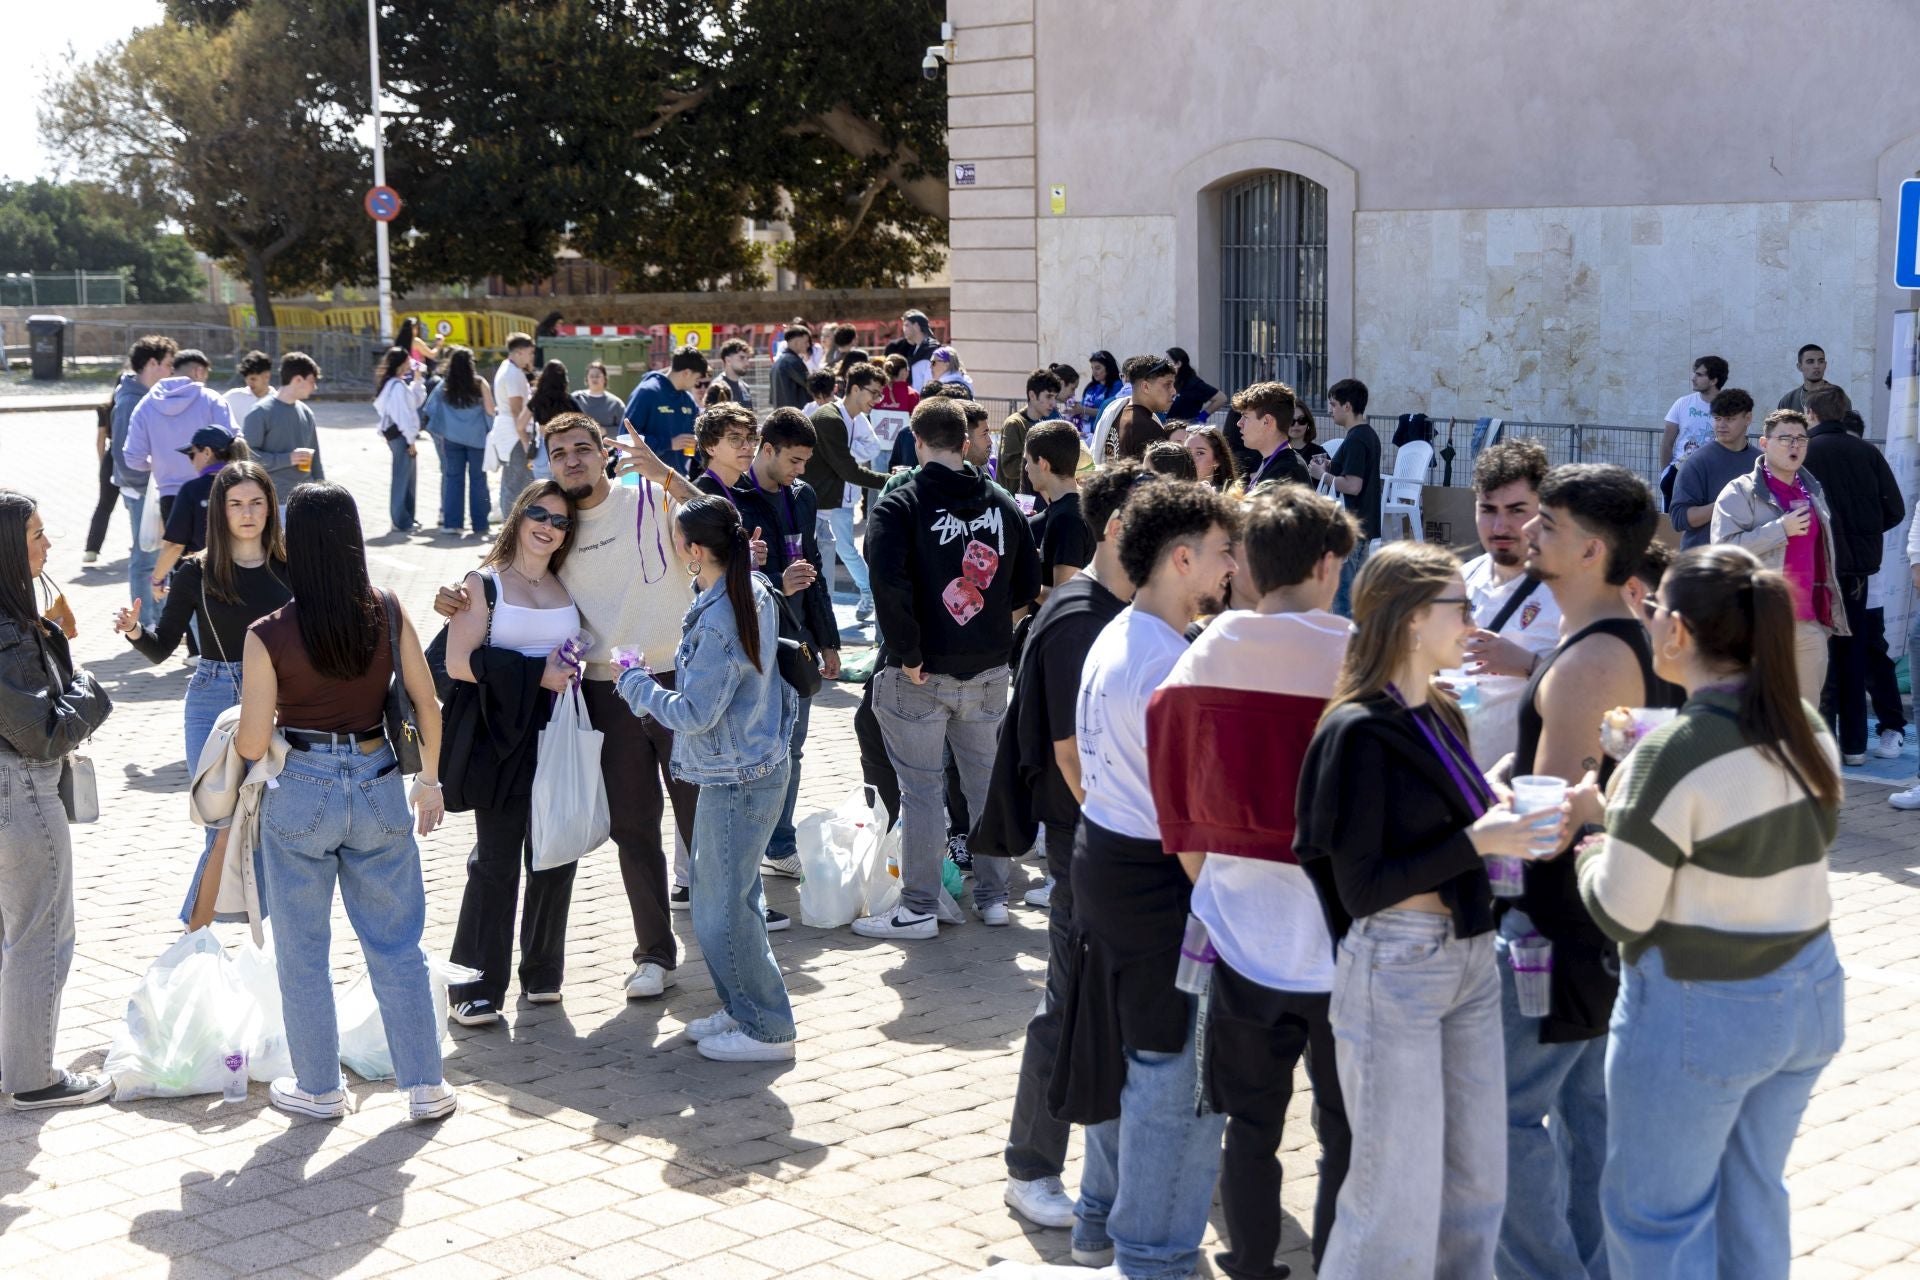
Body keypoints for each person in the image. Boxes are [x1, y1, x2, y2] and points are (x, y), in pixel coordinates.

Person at [1571, 544, 1845, 1279]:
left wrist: (1596, 837)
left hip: (1702, 1009)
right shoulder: (1807, 726)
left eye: (1656, 608)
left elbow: (1621, 910)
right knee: (1752, 1201)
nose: (1649, 619)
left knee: (1655, 1221)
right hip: (1808, 996)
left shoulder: (1674, 757)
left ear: (1680, 632)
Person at [1295, 541, 1564, 1279]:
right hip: (1397, 967)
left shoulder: (1438, 708)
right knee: (1393, 1204)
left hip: (1469, 958)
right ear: (1413, 619)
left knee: (1477, 1187)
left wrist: (1495, 799)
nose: (1474, 620)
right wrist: (1479, 839)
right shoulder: (1357, 730)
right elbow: (1362, 887)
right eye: (1460, 606)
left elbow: (1446, 828)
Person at [1147, 485, 1358, 1276]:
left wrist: (1217, 885)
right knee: (1345, 1133)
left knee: (1248, 1127)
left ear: (1248, 566)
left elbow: (1176, 816)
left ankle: (1254, 1265)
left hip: (1238, 938)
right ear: (1331, 564)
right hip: (1343, 945)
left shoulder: (1202, 653)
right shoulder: (1365, 662)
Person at [437, 412, 705, 1000]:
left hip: (680, 680)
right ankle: (653, 954)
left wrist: (669, 476)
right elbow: (504, 578)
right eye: (560, 454)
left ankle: (727, 944)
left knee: (705, 824)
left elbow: (722, 526)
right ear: (548, 463)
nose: (572, 461)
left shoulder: (650, 496)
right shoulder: (557, 533)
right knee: (632, 828)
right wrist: (457, 594)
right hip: (604, 691)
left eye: (583, 449)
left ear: (604, 452)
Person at [1050, 481, 1241, 1279]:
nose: (1234, 568)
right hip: (1157, 883)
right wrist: (1227, 913)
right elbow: (1190, 823)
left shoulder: (1119, 631)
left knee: (1130, 1053)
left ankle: (1101, 1220)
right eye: (1225, 552)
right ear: (1183, 557)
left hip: (1107, 863)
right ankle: (1156, 1254)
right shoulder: (1173, 664)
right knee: (1180, 1077)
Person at [234, 482, 454, 1122]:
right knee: (395, 944)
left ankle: (320, 1089)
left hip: (302, 786)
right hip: (380, 778)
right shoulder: (386, 610)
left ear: (289, 544)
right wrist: (430, 779)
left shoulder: (268, 633)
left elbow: (252, 741)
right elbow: (426, 702)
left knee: (303, 951)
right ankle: (424, 1086)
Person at [1497, 462, 1662, 1280]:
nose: (1527, 533)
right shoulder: (1595, 638)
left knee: (1499, 1119)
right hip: (1593, 928)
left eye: (1548, 525)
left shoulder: (1593, 658)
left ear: (1593, 550)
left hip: (1556, 931)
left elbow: (1546, 824)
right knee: (1589, 1115)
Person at [982, 463, 1154, 1230]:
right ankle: (1032, 1166)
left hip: (1099, 845)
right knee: (1067, 1007)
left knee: (1098, 1006)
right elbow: (1072, 758)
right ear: (1118, 528)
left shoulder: (1110, 609)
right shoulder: (1081, 618)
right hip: (1085, 845)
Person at [619, 496, 799, 1063]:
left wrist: (638, 687)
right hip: (751, 766)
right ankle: (743, 1006)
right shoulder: (747, 590)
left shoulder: (725, 611)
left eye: (679, 542)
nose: (676, 550)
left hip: (735, 778)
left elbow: (695, 713)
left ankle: (765, 1027)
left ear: (697, 551)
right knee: (734, 902)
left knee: (721, 910)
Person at [855, 398, 1040, 939]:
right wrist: (988, 634)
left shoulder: (900, 503)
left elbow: (886, 583)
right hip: (985, 669)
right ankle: (994, 896)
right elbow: (1028, 584)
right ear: (966, 441)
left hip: (921, 673)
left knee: (922, 790)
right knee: (983, 786)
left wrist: (909, 652)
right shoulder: (1004, 505)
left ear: (917, 442)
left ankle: (918, 907)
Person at [116, 460, 290, 929]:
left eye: (256, 502)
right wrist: (135, 632)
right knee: (220, 820)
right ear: (220, 510)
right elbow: (161, 648)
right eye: (236, 504)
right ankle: (197, 932)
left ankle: (267, 935)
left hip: (279, 699)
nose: (247, 513)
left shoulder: (290, 567)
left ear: (271, 507)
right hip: (212, 698)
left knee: (271, 822)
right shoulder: (196, 571)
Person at [443, 482, 582, 1027]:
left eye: (561, 520)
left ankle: (543, 972)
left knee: (555, 853)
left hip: (559, 730)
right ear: (519, 517)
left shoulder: (568, 582)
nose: (548, 526)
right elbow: (458, 661)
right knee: (496, 862)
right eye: (539, 514)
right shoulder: (484, 583)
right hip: (500, 735)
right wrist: (536, 674)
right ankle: (474, 984)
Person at [694, 405, 837, 915]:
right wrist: (777, 582)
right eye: (793, 460)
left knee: (791, 749)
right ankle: (727, 868)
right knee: (751, 757)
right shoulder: (730, 499)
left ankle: (779, 845)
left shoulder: (803, 496)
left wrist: (829, 640)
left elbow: (814, 568)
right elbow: (718, 585)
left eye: (805, 462)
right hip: (751, 647)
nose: (800, 471)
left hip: (794, 643)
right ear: (767, 450)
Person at [0, 489, 114, 1109]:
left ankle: (11, 1064)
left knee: (14, 932)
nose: (48, 545)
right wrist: (92, 688)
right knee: (40, 933)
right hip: (18, 789)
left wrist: (51, 641)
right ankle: (33, 1077)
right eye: (37, 535)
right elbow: (45, 735)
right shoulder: (4, 632)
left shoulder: (18, 622)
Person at [1802, 386, 1907, 765]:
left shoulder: (1803, 451)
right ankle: (1855, 747)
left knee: (1819, 657)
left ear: (1810, 412)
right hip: (1858, 571)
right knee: (1853, 656)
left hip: (1815, 568)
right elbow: (1894, 509)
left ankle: (1824, 746)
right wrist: (1865, 534)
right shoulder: (1867, 453)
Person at [1711, 409, 1846, 704]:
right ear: (1764, 443)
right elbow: (1722, 553)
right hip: (1757, 624)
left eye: (1801, 438)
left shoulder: (1813, 491)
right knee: (1757, 719)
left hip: (1808, 626)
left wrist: (1823, 622)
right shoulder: (1739, 492)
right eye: (1785, 438)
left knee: (1804, 723)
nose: (1794, 445)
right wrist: (1779, 529)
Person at [1455, 439, 1564, 770]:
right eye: (1488, 510)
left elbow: (1601, 691)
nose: (1500, 527)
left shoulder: (1567, 591)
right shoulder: (1461, 580)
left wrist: (1530, 664)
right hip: (1456, 783)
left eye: (1516, 510)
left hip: (1524, 789)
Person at [804, 363, 890, 619]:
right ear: (854, 388)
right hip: (816, 507)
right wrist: (893, 480)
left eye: (879, 394)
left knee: (825, 576)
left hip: (826, 505)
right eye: (873, 393)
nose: (876, 399)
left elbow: (854, 462)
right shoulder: (830, 418)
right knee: (821, 579)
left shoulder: (848, 418)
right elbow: (849, 471)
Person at [125, 345, 235, 531]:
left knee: (178, 554)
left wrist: (160, 463)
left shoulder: (145, 405)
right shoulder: (212, 399)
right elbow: (234, 443)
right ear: (198, 371)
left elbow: (133, 458)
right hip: (213, 490)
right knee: (216, 554)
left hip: (169, 494)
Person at [110, 335, 177, 626]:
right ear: (152, 364)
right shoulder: (130, 402)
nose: (172, 371)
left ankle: (157, 618)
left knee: (156, 555)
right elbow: (124, 455)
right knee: (145, 557)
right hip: (140, 491)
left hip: (150, 489)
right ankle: (146, 620)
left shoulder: (143, 396)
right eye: (168, 364)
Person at [1308, 379, 1381, 617]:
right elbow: (1354, 472)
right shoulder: (1366, 434)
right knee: (1358, 600)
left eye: (1333, 404)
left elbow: (1353, 485)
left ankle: (1347, 648)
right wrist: (1332, 465)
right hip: (1365, 525)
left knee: (1344, 603)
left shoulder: (1356, 439)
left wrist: (1323, 474)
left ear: (1347, 406)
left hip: (1352, 527)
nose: (1330, 410)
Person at [152, 428, 252, 585]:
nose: (191, 461)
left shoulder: (193, 490)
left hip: (206, 581)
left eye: (192, 454)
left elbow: (174, 545)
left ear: (207, 452)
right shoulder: (253, 487)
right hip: (248, 575)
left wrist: (157, 580)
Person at [1669, 388, 1759, 552]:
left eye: (1729, 419)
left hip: (1747, 560)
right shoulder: (1697, 462)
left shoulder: (1761, 462)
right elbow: (1679, 518)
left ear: (1748, 418)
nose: (1721, 425)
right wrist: (1725, 503)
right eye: (1717, 418)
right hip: (1703, 563)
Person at [423, 346, 497, 536]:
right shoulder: (480, 383)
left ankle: (452, 523)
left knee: (453, 480)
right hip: (477, 440)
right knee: (478, 481)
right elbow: (490, 410)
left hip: (451, 439)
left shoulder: (446, 385)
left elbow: (430, 407)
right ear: (471, 364)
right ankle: (480, 525)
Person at [242, 351, 324, 503]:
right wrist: (289, 458)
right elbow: (248, 459)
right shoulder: (260, 412)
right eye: (312, 381)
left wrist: (323, 491)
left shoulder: (307, 413)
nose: (315, 387)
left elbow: (316, 460)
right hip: (273, 501)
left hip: (305, 500)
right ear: (298, 379)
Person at [1025, 422, 1096, 595]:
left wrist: (1021, 582)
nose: (1026, 468)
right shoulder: (1069, 507)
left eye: (1027, 461)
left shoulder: (1067, 519)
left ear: (1043, 463)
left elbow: (1063, 598)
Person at [625, 348, 706, 479]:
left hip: (678, 481)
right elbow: (626, 438)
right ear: (686, 373)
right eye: (696, 379)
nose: (696, 384)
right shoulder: (647, 392)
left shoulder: (688, 400)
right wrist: (668, 444)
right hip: (646, 483)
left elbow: (695, 443)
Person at [1659, 355, 1727, 508]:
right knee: (1672, 523)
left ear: (1714, 380)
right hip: (1679, 473)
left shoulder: (1729, 406)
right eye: (1694, 373)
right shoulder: (1682, 403)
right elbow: (1666, 442)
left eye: (1699, 374)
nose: (1693, 378)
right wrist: (1665, 473)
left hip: (1712, 476)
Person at [373, 346, 428, 534]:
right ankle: (400, 520)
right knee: (402, 477)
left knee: (407, 477)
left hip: (401, 436)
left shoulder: (396, 383)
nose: (410, 363)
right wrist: (411, 439)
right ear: (400, 363)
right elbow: (403, 415)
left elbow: (415, 401)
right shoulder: (396, 386)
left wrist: (418, 379)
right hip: (402, 437)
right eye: (407, 361)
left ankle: (407, 518)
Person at [1095, 354, 1177, 462]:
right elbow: (1159, 477)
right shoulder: (1148, 428)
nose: (1174, 391)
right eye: (1167, 384)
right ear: (1146, 387)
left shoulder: (1119, 414)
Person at [1233, 381, 1313, 490]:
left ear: (1267, 421)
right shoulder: (1276, 461)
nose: (1239, 423)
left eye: (1245, 417)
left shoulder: (1285, 473)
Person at [1000, 368, 1064, 496]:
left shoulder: (1045, 424)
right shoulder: (1014, 424)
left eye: (1055, 397)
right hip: (1016, 501)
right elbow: (1009, 469)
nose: (1053, 403)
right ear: (1032, 395)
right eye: (1048, 396)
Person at [493, 333, 537, 511]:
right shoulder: (513, 373)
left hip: (509, 433)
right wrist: (526, 441)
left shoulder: (507, 368)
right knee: (518, 483)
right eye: (530, 353)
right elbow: (517, 410)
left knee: (510, 481)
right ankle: (511, 530)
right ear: (518, 352)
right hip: (515, 435)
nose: (531, 357)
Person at [83, 397, 121, 565]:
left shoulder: (106, 408)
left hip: (111, 458)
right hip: (135, 459)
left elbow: (100, 439)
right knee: (138, 505)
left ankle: (92, 549)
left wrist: (103, 464)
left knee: (104, 506)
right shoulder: (140, 402)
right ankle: (141, 545)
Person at [1166, 346, 1227, 420]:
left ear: (1178, 364)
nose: (1165, 365)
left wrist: (1202, 417)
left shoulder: (1193, 383)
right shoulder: (1171, 381)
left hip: (1186, 427)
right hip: (1169, 426)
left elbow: (1221, 398)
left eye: (1168, 362)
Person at [1777, 343, 1839, 413]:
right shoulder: (1788, 401)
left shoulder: (1838, 397)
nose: (1816, 366)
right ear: (1799, 367)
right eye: (1810, 362)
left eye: (1821, 361)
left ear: (1825, 365)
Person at [572, 360, 628, 436]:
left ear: (605, 379)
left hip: (608, 447)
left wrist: (605, 431)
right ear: (587, 379)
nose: (594, 378)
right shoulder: (576, 398)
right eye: (591, 376)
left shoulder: (616, 403)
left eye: (598, 376)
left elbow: (625, 428)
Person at [886, 310, 940, 388]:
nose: (904, 329)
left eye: (907, 325)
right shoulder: (916, 350)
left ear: (916, 326)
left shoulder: (931, 350)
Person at [1073, 350, 1123, 434]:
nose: (1094, 372)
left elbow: (1110, 411)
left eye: (1098, 368)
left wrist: (1083, 410)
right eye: (1092, 368)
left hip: (1102, 434)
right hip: (1085, 433)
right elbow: (1084, 406)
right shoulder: (1090, 387)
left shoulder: (1117, 386)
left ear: (1108, 368)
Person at [224, 349, 274, 425]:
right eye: (246, 378)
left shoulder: (279, 401)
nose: (249, 382)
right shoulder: (232, 397)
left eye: (253, 379)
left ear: (267, 376)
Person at [771, 326, 814, 411]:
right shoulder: (792, 361)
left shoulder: (778, 362)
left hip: (782, 415)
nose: (808, 345)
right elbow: (811, 384)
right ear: (796, 342)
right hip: (796, 415)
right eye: (806, 342)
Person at [1185, 426, 1238, 492]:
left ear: (1216, 461)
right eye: (1187, 452)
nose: (1191, 458)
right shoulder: (1173, 492)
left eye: (1200, 453)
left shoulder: (1229, 497)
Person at [713, 338, 756, 411]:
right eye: (742, 358)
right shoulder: (716, 388)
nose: (747, 363)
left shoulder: (745, 387)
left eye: (747, 358)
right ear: (728, 360)